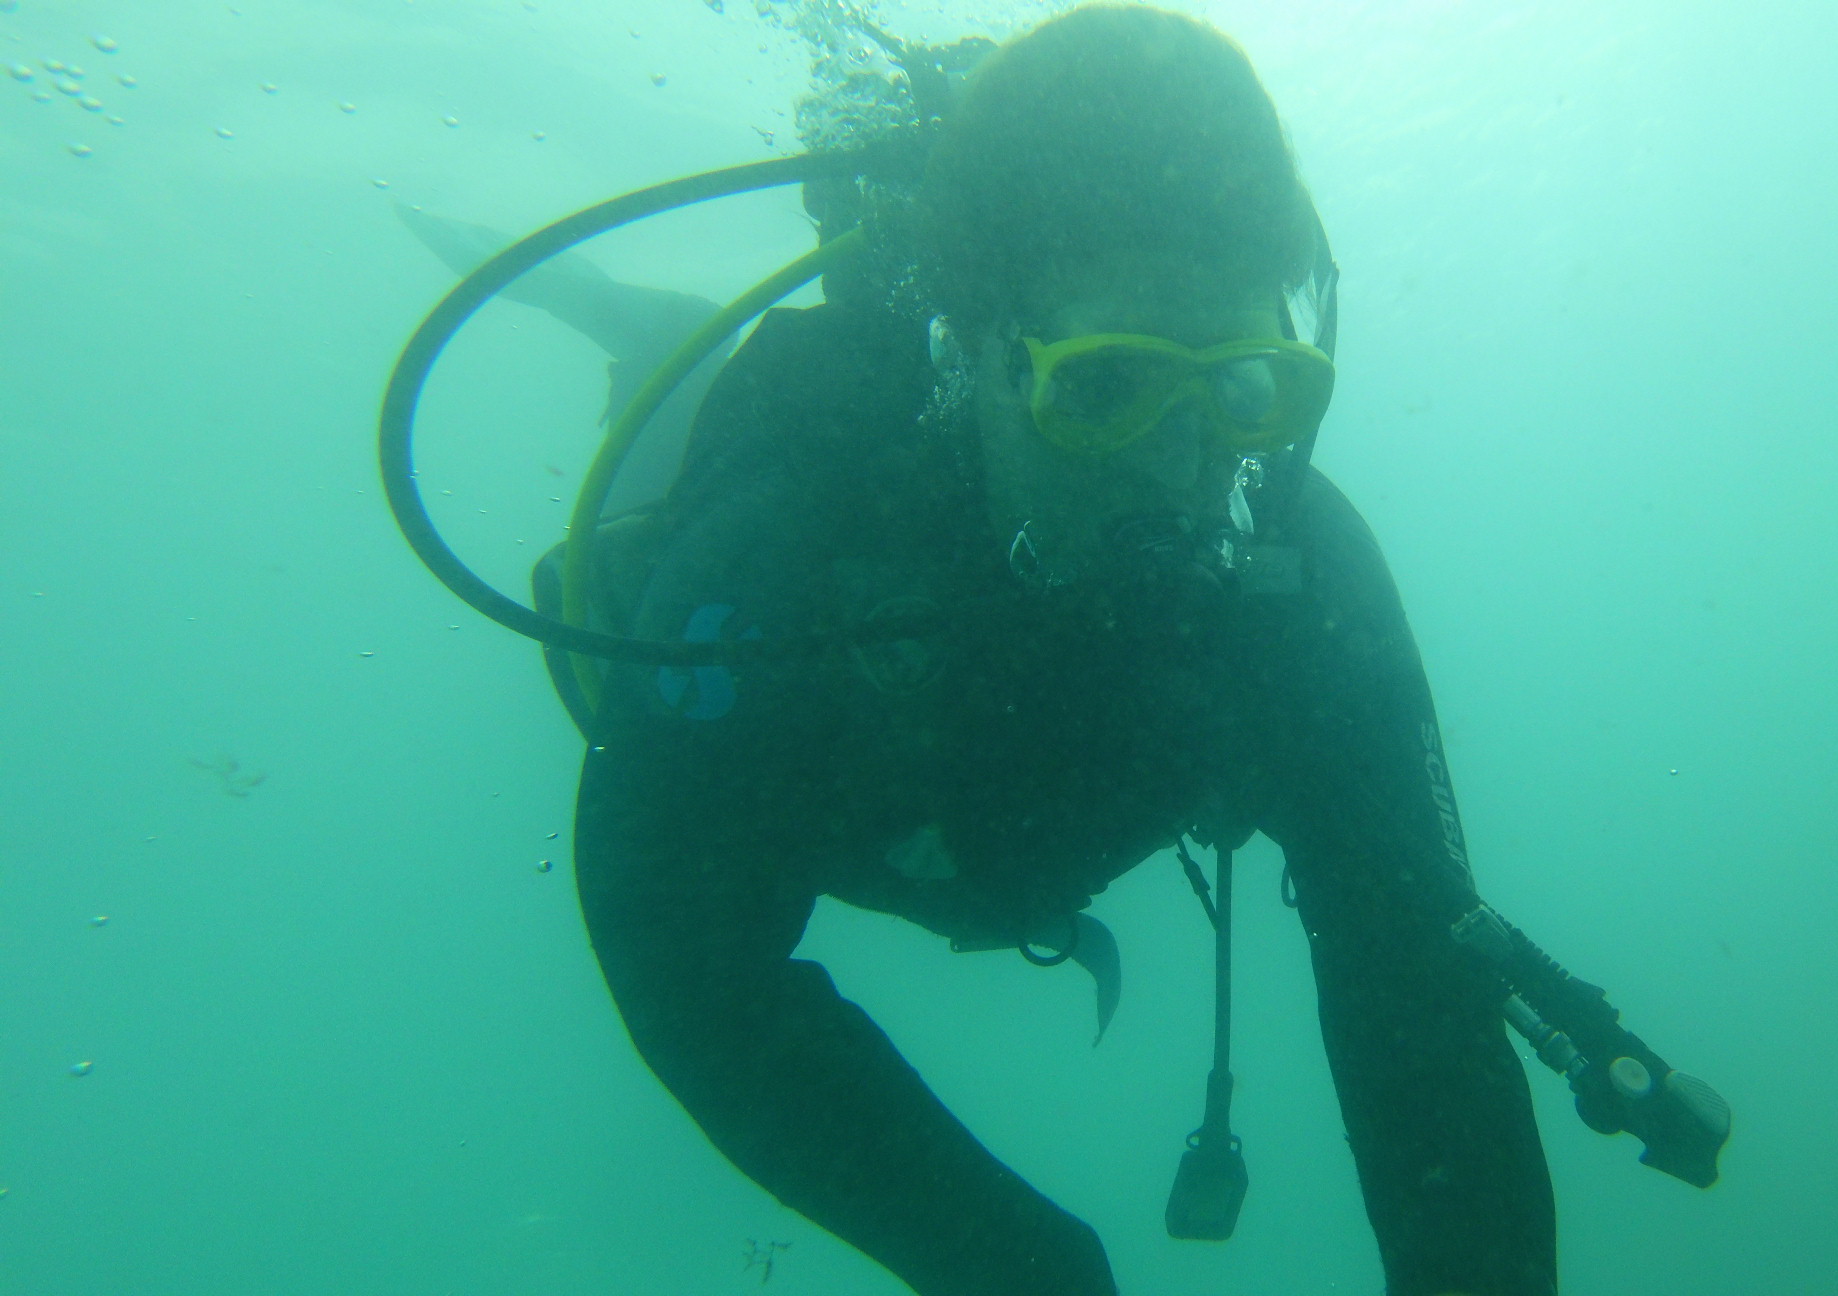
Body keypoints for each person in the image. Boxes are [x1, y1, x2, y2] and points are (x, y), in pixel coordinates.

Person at [560, 7, 1555, 1294]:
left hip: (979, 842)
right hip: (804, 684)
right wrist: (1021, 1266)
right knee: (664, 452)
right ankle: (645, 335)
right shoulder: (781, 563)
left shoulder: (1296, 577)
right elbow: (682, 962)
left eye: (1242, 388)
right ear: (970, 351)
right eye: (1104, 387)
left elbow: (1416, 984)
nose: (1183, 468)